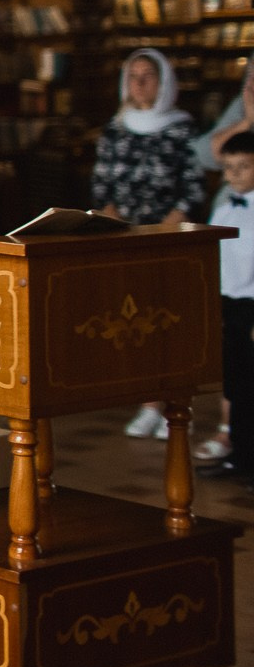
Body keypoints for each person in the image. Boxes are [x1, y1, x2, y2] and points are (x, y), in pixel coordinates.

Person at [92, 48, 205, 440]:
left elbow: (191, 189)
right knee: (133, 321)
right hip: (126, 238)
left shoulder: (181, 128)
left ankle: (173, 405)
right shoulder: (116, 127)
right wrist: (117, 224)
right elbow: (103, 186)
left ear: (163, 82)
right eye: (134, 76)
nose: (140, 84)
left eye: (148, 76)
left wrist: (163, 229)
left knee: (170, 320)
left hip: (167, 237)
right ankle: (146, 401)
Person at [198, 131, 254, 480]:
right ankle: (239, 458)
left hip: (253, 309)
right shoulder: (223, 208)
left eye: (244, 167)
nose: (234, 175)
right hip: (229, 306)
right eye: (229, 168)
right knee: (236, 386)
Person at [192, 58, 254, 172]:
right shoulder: (245, 102)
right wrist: (247, 122)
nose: (251, 81)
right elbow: (203, 154)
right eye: (250, 72)